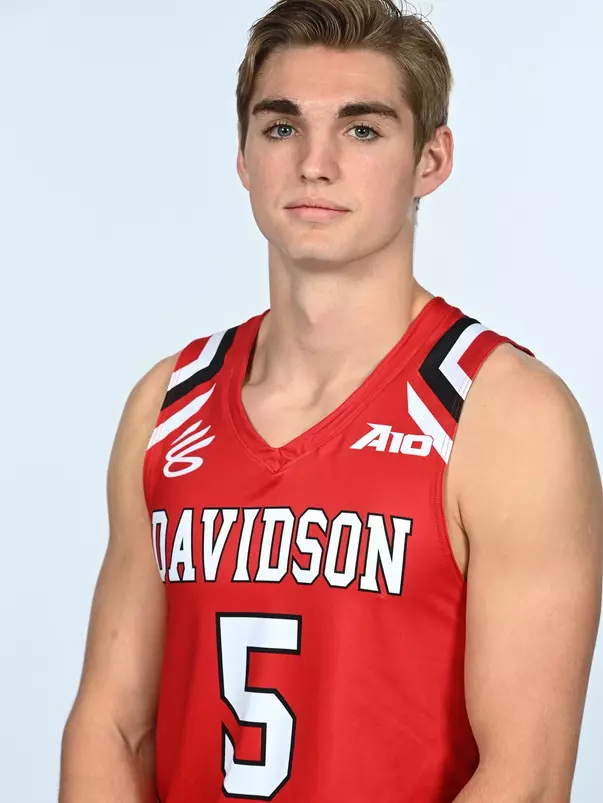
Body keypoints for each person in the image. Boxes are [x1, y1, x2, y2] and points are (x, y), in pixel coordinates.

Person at [59, 1, 603, 801]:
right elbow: (112, 723)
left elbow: (523, 776)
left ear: (430, 159)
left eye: (361, 129)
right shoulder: (166, 404)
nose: (314, 163)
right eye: (281, 127)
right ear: (243, 155)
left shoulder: (504, 417)